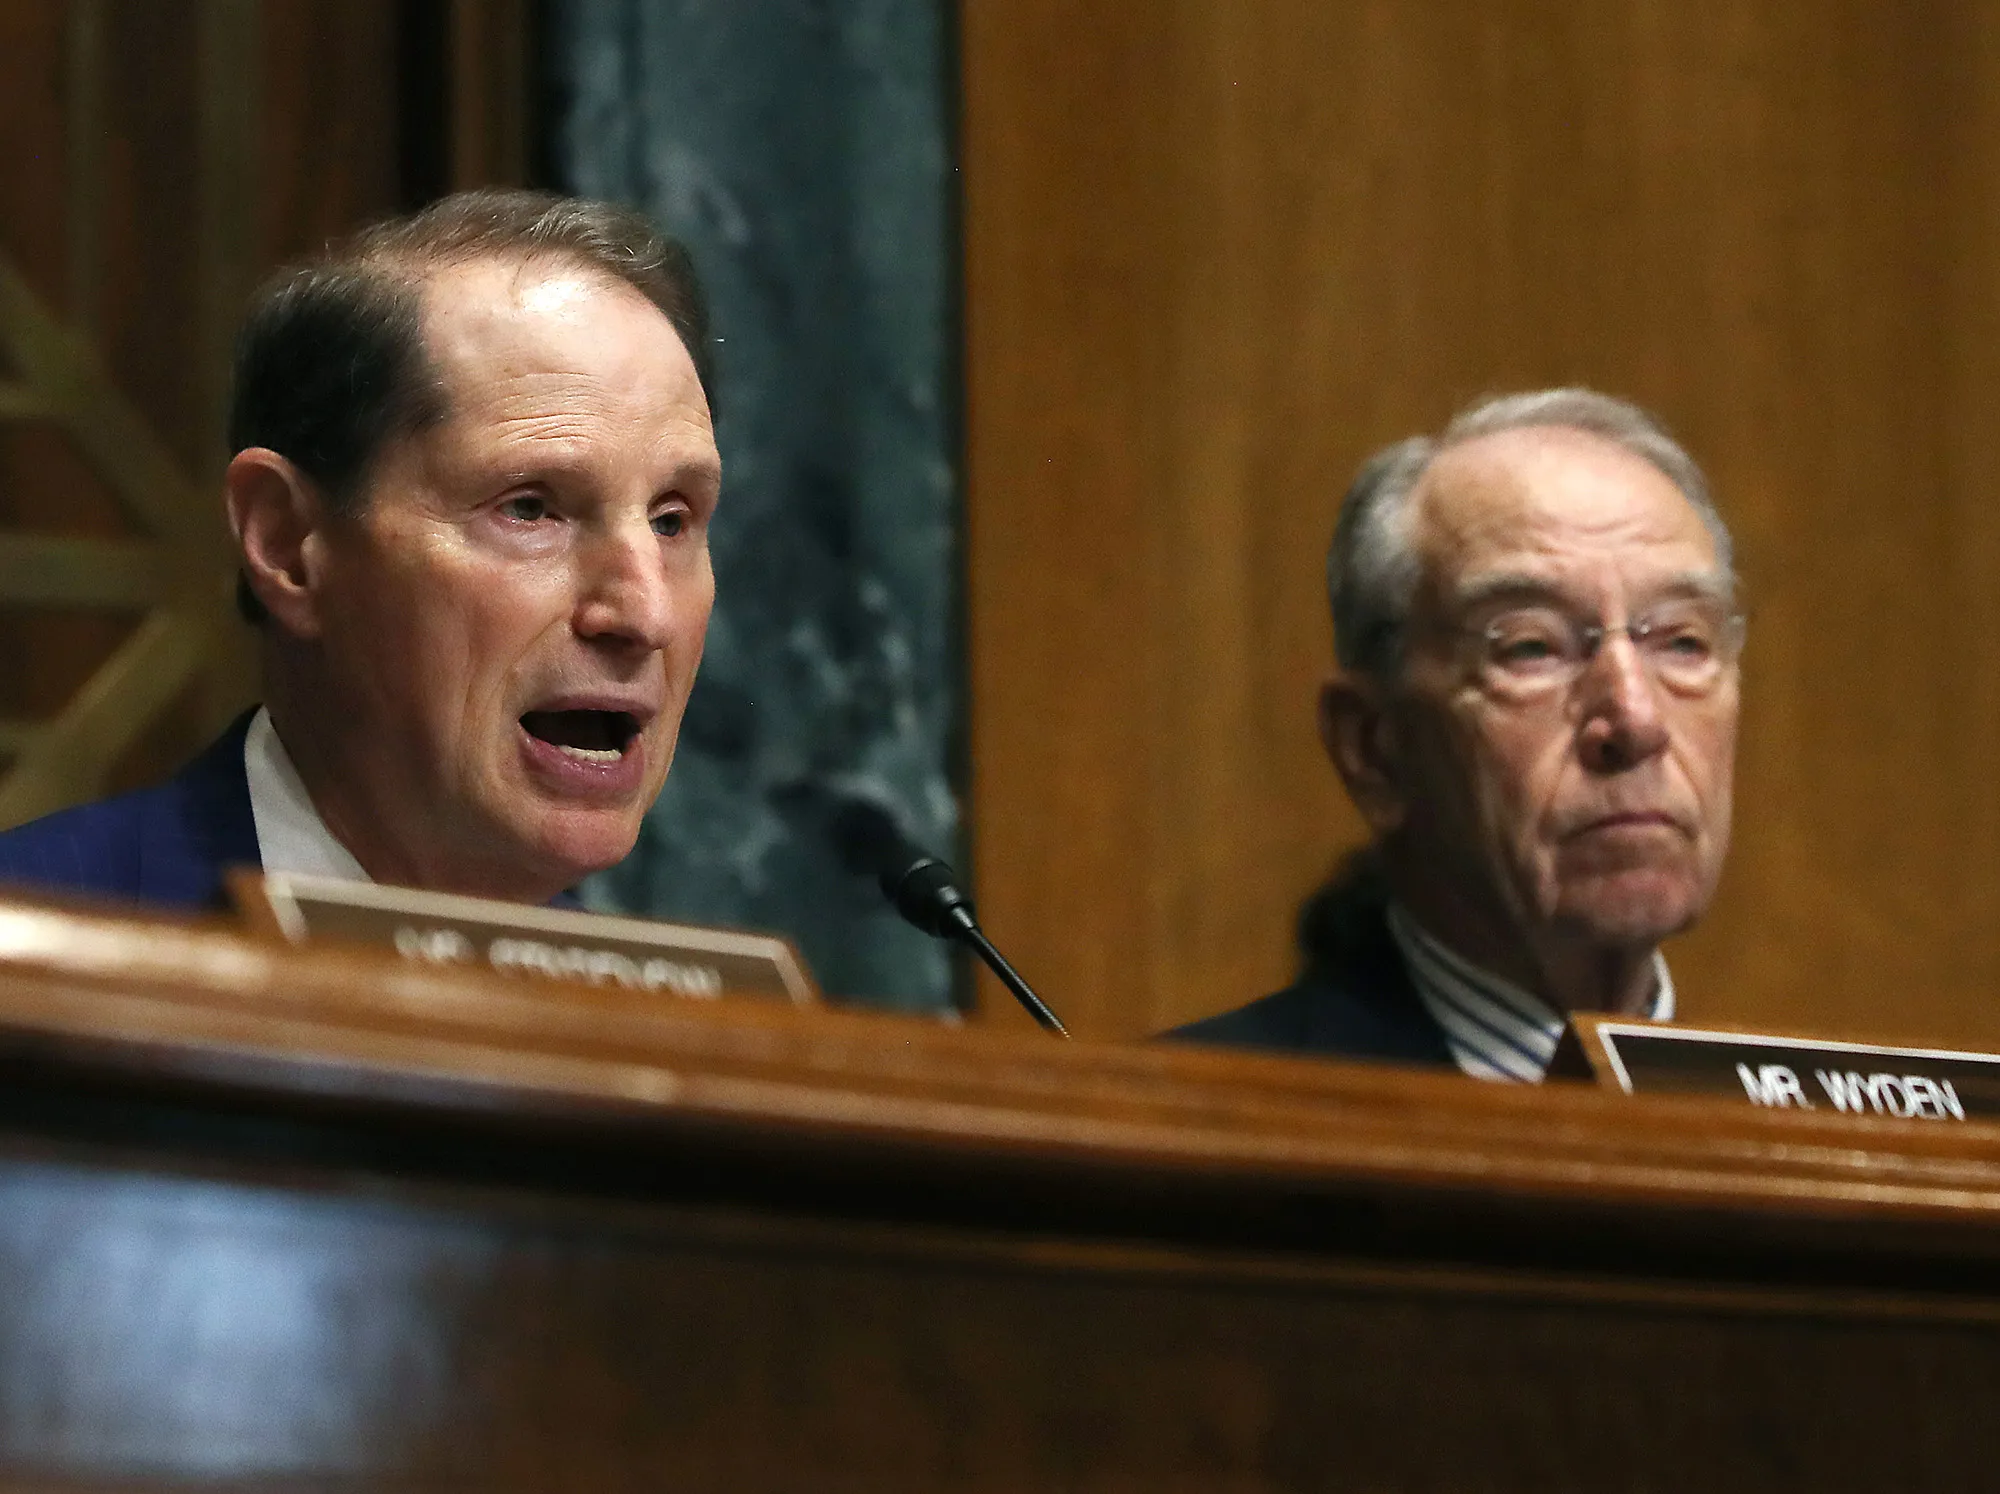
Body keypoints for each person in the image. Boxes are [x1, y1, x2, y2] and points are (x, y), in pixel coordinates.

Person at [0, 189, 720, 910]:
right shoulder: (34, 947)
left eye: (670, 521)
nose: (645, 613)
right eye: (531, 509)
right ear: (287, 544)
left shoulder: (678, 1017)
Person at [1174, 389, 1741, 1080]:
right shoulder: (1187, 1146)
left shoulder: (1820, 1148)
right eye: (1531, 648)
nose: (1635, 719)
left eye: (1683, 642)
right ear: (1374, 750)